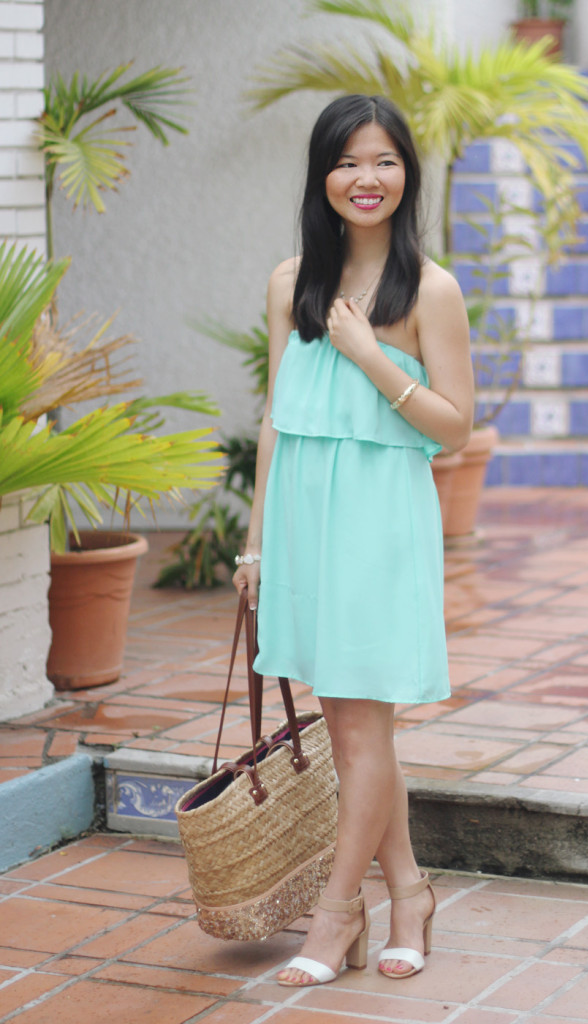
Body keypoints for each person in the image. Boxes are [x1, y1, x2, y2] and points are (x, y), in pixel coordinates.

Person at [233, 94, 473, 987]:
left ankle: (337, 916)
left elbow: (454, 428)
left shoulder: (430, 290)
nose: (364, 179)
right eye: (346, 162)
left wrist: (370, 354)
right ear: (321, 175)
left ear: (406, 174)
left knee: (364, 730)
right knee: (349, 731)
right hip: (304, 520)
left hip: (378, 525)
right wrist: (255, 545)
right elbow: (274, 420)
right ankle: (409, 891)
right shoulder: (288, 281)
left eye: (382, 161)